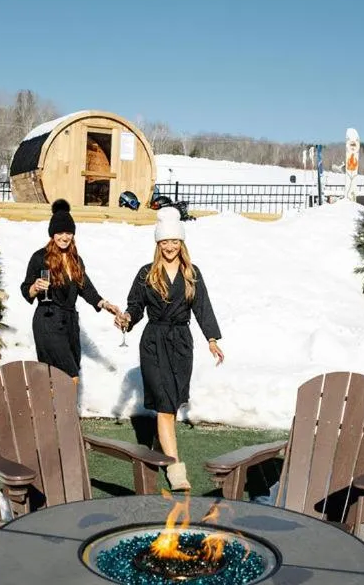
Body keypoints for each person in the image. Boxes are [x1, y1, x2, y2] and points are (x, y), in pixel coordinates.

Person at [115, 207, 224, 491]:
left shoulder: (191, 273)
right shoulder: (146, 273)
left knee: (172, 402)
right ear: (158, 243)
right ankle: (175, 467)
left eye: (174, 241)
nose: (170, 247)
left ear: (181, 242)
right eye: (165, 242)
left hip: (181, 343)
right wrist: (127, 318)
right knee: (164, 404)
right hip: (153, 341)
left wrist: (212, 339)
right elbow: (135, 307)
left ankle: (158, 443)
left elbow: (202, 308)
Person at [20, 199, 121, 384]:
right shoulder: (39, 258)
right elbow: (25, 289)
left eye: (68, 233)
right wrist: (35, 287)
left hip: (69, 322)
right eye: (60, 232)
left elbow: (86, 288)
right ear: (52, 234)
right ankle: (64, 412)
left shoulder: (76, 260)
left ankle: (57, 411)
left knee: (64, 373)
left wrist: (105, 304)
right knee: (69, 374)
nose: (64, 237)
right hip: (47, 319)